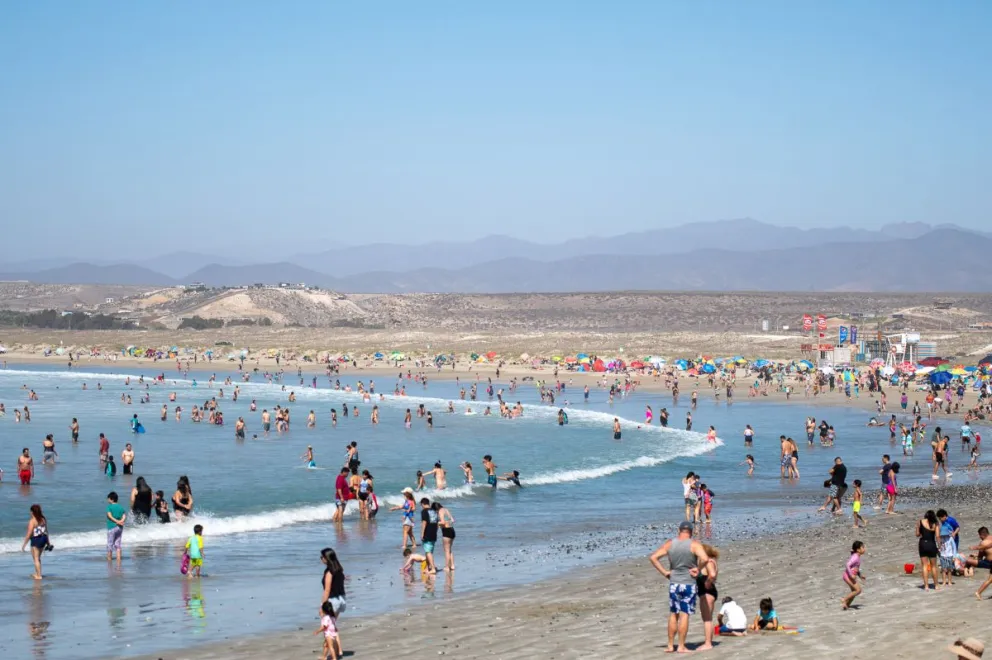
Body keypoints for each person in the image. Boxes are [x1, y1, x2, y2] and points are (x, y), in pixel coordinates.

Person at [649, 521, 711, 653]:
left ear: (679, 530)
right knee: (684, 615)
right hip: (688, 583)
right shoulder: (694, 544)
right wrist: (697, 569)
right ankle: (681, 646)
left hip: (674, 583)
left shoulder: (670, 543)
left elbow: (653, 557)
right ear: (692, 531)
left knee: (673, 614)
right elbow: (705, 559)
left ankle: (670, 645)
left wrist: (665, 572)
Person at [696, 543, 720, 650]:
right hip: (709, 592)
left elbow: (713, 574)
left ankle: (708, 643)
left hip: (707, 592)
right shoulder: (712, 560)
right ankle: (709, 640)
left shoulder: (709, 561)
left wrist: (708, 583)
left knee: (707, 619)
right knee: (708, 618)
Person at [20, 504, 49, 580]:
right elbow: (46, 531)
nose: (30, 512)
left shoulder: (32, 521)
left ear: (32, 512)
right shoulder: (43, 519)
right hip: (44, 538)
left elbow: (29, 534)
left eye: (30, 511)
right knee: (38, 558)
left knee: (35, 558)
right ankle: (37, 573)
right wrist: (48, 542)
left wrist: (24, 544)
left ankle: (39, 576)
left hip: (36, 540)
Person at [917, 510, 940, 591]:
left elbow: (917, 534)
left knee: (924, 566)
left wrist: (920, 530)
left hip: (922, 544)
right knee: (933, 566)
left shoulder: (920, 521)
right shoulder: (936, 524)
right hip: (932, 544)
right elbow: (937, 536)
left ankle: (926, 586)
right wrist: (939, 546)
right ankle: (936, 585)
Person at [320, 547, 347, 617]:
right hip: (342, 598)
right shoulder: (339, 570)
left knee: (326, 625)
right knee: (332, 624)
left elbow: (327, 590)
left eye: (322, 557)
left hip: (332, 601)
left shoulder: (329, 572)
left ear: (326, 558)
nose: (321, 558)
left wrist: (322, 607)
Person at [842, 541, 866, 610]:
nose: (864, 549)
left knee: (854, 592)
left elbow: (856, 568)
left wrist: (860, 575)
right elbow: (847, 565)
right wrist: (851, 575)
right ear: (858, 550)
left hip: (850, 576)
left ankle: (846, 605)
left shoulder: (857, 557)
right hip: (848, 576)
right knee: (858, 590)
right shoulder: (855, 557)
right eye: (863, 547)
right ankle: (844, 599)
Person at [106, 491, 126, 566]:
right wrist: (121, 521)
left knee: (110, 544)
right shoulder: (120, 507)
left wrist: (117, 521)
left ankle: (109, 559)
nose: (107, 500)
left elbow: (109, 516)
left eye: (108, 499)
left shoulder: (109, 507)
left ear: (111, 499)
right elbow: (124, 515)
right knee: (118, 544)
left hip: (111, 527)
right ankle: (118, 560)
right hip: (120, 527)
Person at [420, 497, 439, 574]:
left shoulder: (424, 511)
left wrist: (422, 534)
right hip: (434, 533)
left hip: (427, 533)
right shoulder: (434, 511)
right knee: (429, 551)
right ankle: (428, 568)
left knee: (428, 552)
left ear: (423, 504)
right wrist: (435, 532)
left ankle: (433, 568)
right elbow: (437, 524)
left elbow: (424, 523)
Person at [435, 501, 456, 572]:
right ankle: (452, 565)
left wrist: (436, 523)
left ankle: (447, 567)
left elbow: (443, 522)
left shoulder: (440, 511)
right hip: (452, 530)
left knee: (446, 550)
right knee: (449, 549)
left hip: (446, 531)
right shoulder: (446, 509)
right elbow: (453, 520)